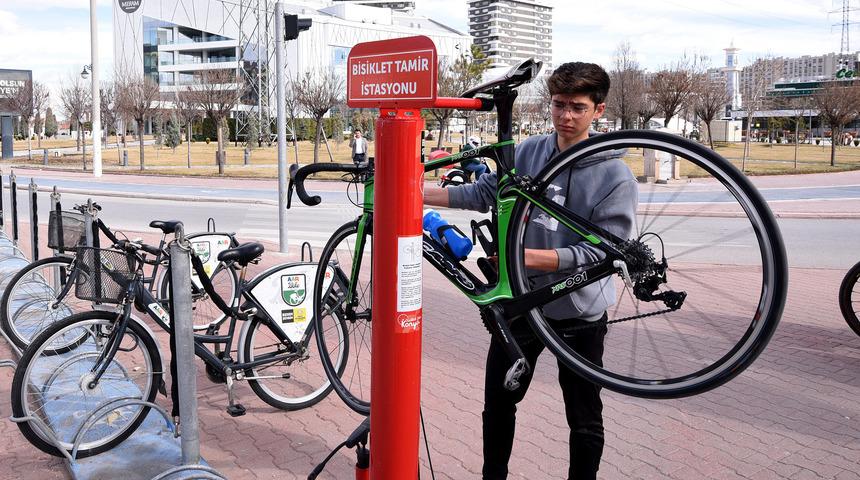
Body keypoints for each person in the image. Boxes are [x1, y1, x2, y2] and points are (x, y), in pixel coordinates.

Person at [424, 62, 638, 480]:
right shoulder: (530, 151)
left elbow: (604, 252)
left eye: (578, 107)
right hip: (521, 303)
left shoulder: (615, 175)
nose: (566, 116)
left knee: (584, 418)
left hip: (578, 311)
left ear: (598, 110)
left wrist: (527, 258)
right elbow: (483, 193)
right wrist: (412, 192)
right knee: (498, 405)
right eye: (559, 104)